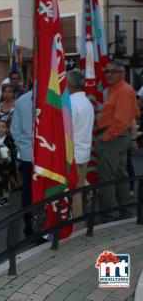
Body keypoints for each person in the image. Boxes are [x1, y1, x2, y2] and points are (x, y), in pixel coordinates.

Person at [97, 62, 140, 221]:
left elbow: (122, 121)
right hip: (118, 137)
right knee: (119, 175)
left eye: (113, 72)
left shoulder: (122, 91)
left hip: (113, 138)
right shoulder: (121, 89)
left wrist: (105, 137)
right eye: (106, 71)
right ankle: (124, 213)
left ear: (121, 73)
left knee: (106, 178)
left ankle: (108, 215)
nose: (108, 74)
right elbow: (135, 113)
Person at [66, 70, 94, 222]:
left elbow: (66, 132)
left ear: (68, 83)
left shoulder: (71, 103)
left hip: (73, 154)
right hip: (83, 152)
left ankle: (77, 226)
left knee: (74, 192)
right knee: (80, 187)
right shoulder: (86, 101)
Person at [10, 88, 35, 237]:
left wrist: (23, 147)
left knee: (29, 193)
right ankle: (31, 228)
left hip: (30, 155)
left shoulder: (21, 100)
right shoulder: (23, 101)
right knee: (29, 193)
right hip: (30, 155)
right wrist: (24, 147)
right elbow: (15, 130)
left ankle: (31, 228)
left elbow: (15, 131)